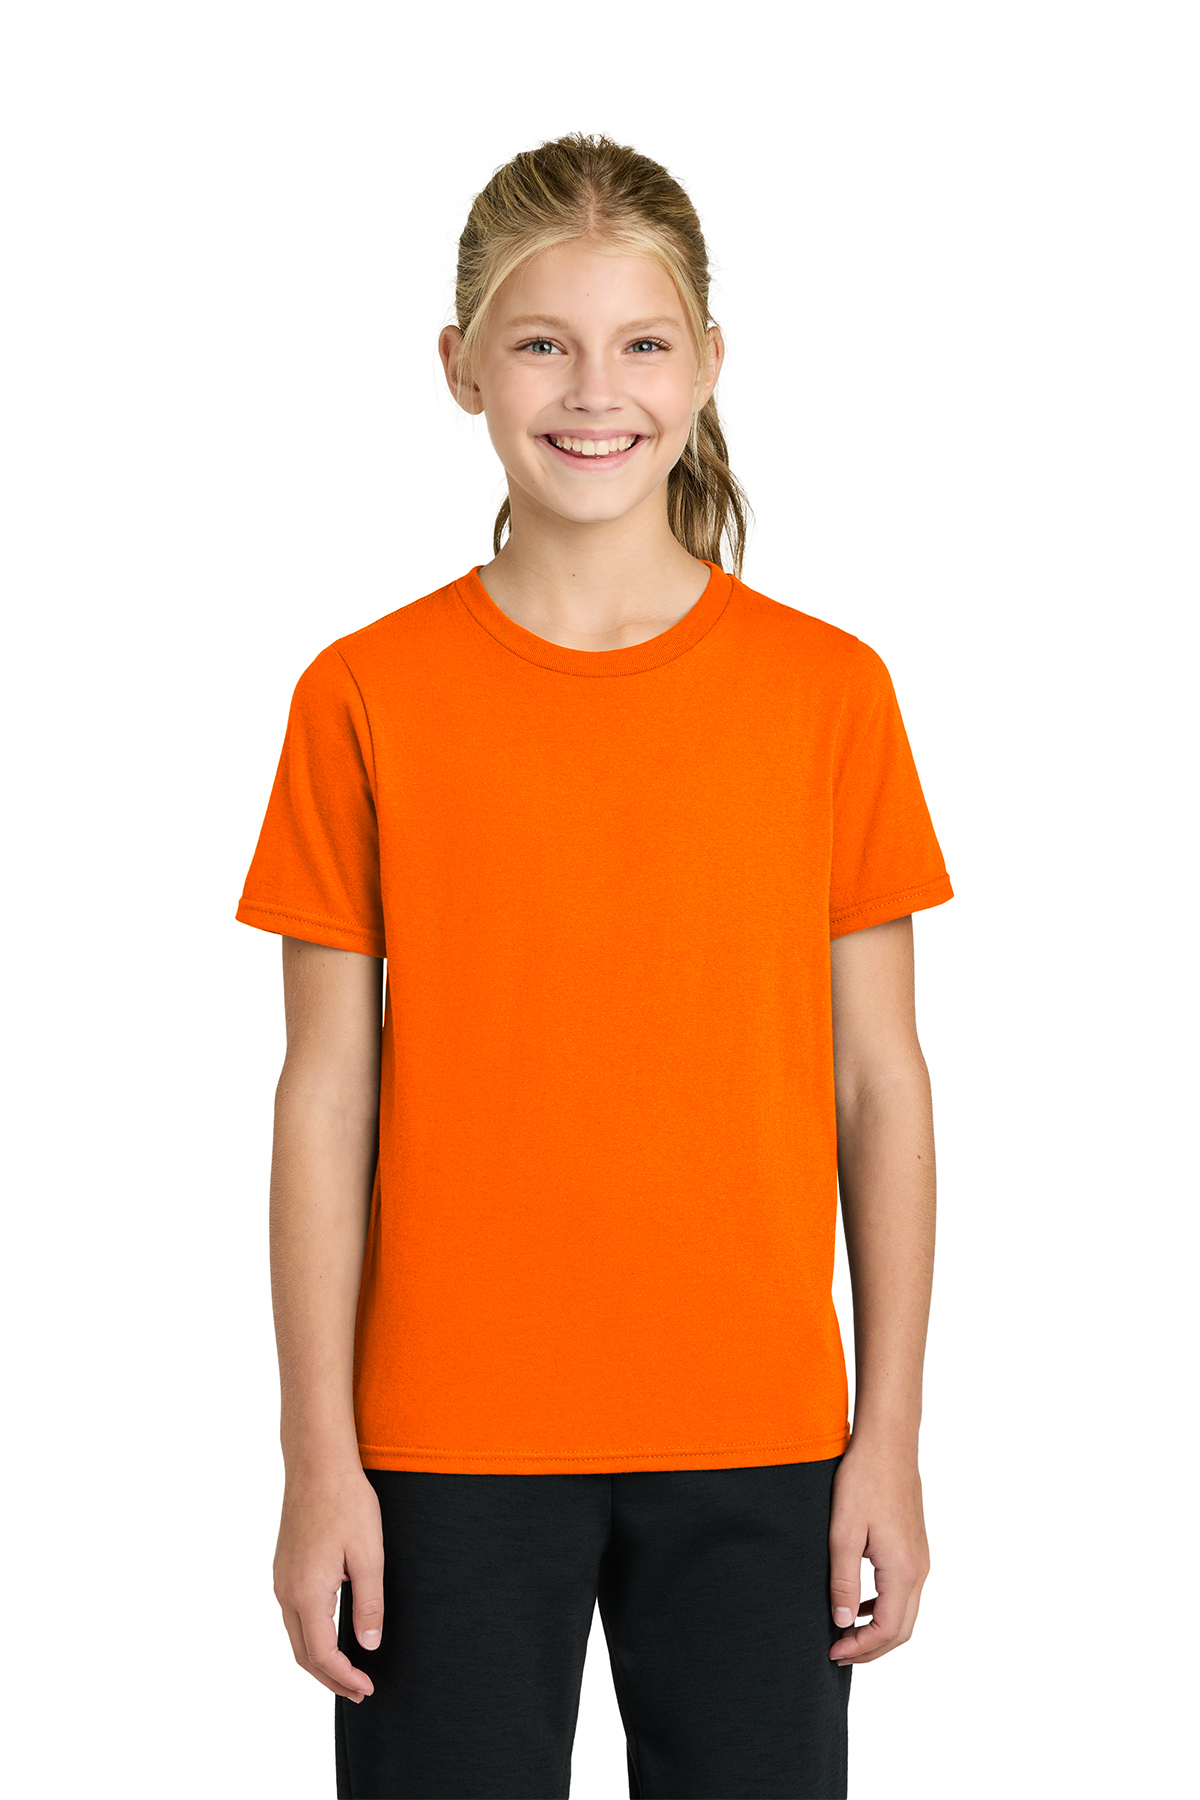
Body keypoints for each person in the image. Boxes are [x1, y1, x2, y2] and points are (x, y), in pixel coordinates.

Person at [236, 131, 953, 1800]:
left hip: (763, 1437)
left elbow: (880, 1084)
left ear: (708, 363)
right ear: (461, 366)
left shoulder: (827, 695)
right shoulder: (363, 696)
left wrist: (891, 1437)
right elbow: (324, 1098)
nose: (594, 391)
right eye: (543, 342)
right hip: (440, 1445)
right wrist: (316, 1455)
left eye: (640, 342)